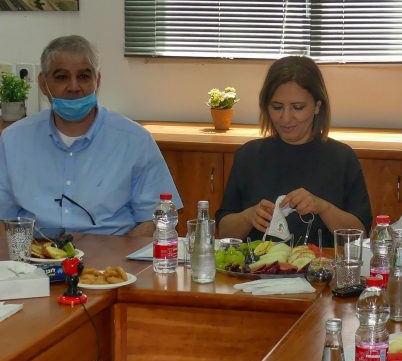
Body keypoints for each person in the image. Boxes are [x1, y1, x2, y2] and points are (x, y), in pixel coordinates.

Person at [0, 35, 181, 236]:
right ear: (43, 83)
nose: (74, 87)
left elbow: (157, 219)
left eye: (84, 76)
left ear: (98, 81)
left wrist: (121, 253)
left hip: (113, 252)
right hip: (36, 252)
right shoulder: (13, 140)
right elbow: (2, 217)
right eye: (62, 77)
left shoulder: (135, 140)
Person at [216, 55, 371, 244]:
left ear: (317, 106)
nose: (286, 118)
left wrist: (323, 207)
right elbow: (223, 232)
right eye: (277, 107)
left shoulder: (342, 158)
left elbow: (361, 234)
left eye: (297, 108)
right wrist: (248, 217)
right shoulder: (248, 156)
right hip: (258, 263)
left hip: (323, 263)